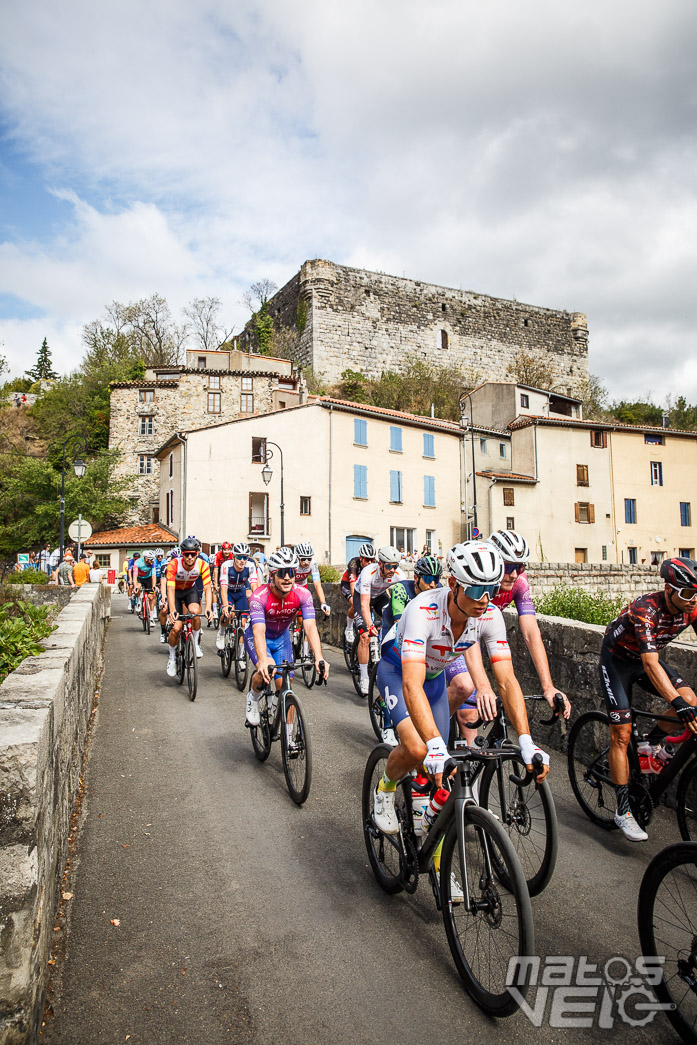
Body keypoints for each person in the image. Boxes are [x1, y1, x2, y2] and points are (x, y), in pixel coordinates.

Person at [372, 541, 550, 838]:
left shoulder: (490, 617)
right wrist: (434, 746)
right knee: (419, 748)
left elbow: (507, 681)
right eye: (476, 590)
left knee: (439, 777)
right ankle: (385, 787)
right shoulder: (423, 610)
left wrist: (527, 741)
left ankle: (437, 863)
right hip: (397, 671)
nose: (484, 600)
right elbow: (411, 683)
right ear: (453, 584)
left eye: (491, 590)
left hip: (434, 679)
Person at [600, 556, 697, 841]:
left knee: (690, 698)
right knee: (620, 734)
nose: (694, 600)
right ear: (669, 590)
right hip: (617, 662)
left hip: (643, 662)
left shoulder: (691, 610)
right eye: (688, 593)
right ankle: (623, 810)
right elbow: (652, 665)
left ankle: (650, 743)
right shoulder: (646, 610)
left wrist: (682, 701)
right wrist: (675, 703)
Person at [486, 530, 570, 717]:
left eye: (520, 567)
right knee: (464, 689)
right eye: (508, 567)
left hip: (488, 630)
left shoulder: (520, 583)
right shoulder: (478, 582)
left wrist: (548, 686)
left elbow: (531, 633)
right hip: (460, 636)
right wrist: (482, 685)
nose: (515, 574)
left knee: (509, 689)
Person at [243, 547, 329, 729]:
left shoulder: (303, 594)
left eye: (291, 572)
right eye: (282, 573)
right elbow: (258, 632)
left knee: (287, 688)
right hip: (260, 638)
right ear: (272, 576)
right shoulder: (259, 597)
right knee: (263, 672)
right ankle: (253, 697)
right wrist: (263, 660)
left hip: (282, 639)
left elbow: (310, 626)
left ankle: (289, 738)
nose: (288, 578)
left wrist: (320, 657)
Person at [377, 554, 443, 744]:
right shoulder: (400, 589)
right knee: (397, 670)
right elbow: (400, 625)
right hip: (393, 633)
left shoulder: (436, 592)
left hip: (418, 635)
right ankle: (388, 725)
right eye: (429, 579)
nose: (433, 585)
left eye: (437, 580)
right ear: (416, 578)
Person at [354, 546, 407, 695]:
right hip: (362, 597)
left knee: (390, 623)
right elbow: (364, 604)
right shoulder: (368, 573)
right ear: (380, 564)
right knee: (365, 636)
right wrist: (370, 626)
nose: (392, 569)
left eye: (395, 566)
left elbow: (405, 599)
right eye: (389, 566)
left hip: (379, 597)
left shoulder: (398, 575)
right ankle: (364, 676)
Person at [165, 538, 213, 676]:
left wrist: (208, 607)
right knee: (176, 628)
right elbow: (170, 589)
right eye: (186, 554)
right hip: (176, 593)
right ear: (182, 554)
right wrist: (173, 610)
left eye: (192, 554)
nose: (190, 557)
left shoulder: (203, 565)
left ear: (197, 553)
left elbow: (208, 588)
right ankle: (172, 658)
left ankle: (196, 644)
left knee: (195, 612)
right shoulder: (173, 565)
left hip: (190, 591)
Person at [216, 543, 259, 650]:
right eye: (239, 557)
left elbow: (254, 586)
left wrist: (258, 602)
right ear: (234, 557)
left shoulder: (250, 566)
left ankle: (240, 656)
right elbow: (224, 587)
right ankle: (221, 633)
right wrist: (225, 605)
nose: (242, 560)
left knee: (243, 624)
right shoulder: (226, 565)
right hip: (228, 593)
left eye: (245, 557)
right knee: (228, 615)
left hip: (240, 593)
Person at [340, 543, 376, 643]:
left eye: (372, 560)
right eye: (366, 560)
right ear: (361, 558)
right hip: (348, 584)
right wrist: (356, 601)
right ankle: (349, 628)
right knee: (354, 605)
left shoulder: (375, 565)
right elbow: (353, 585)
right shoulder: (353, 563)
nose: (369, 562)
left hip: (363, 586)